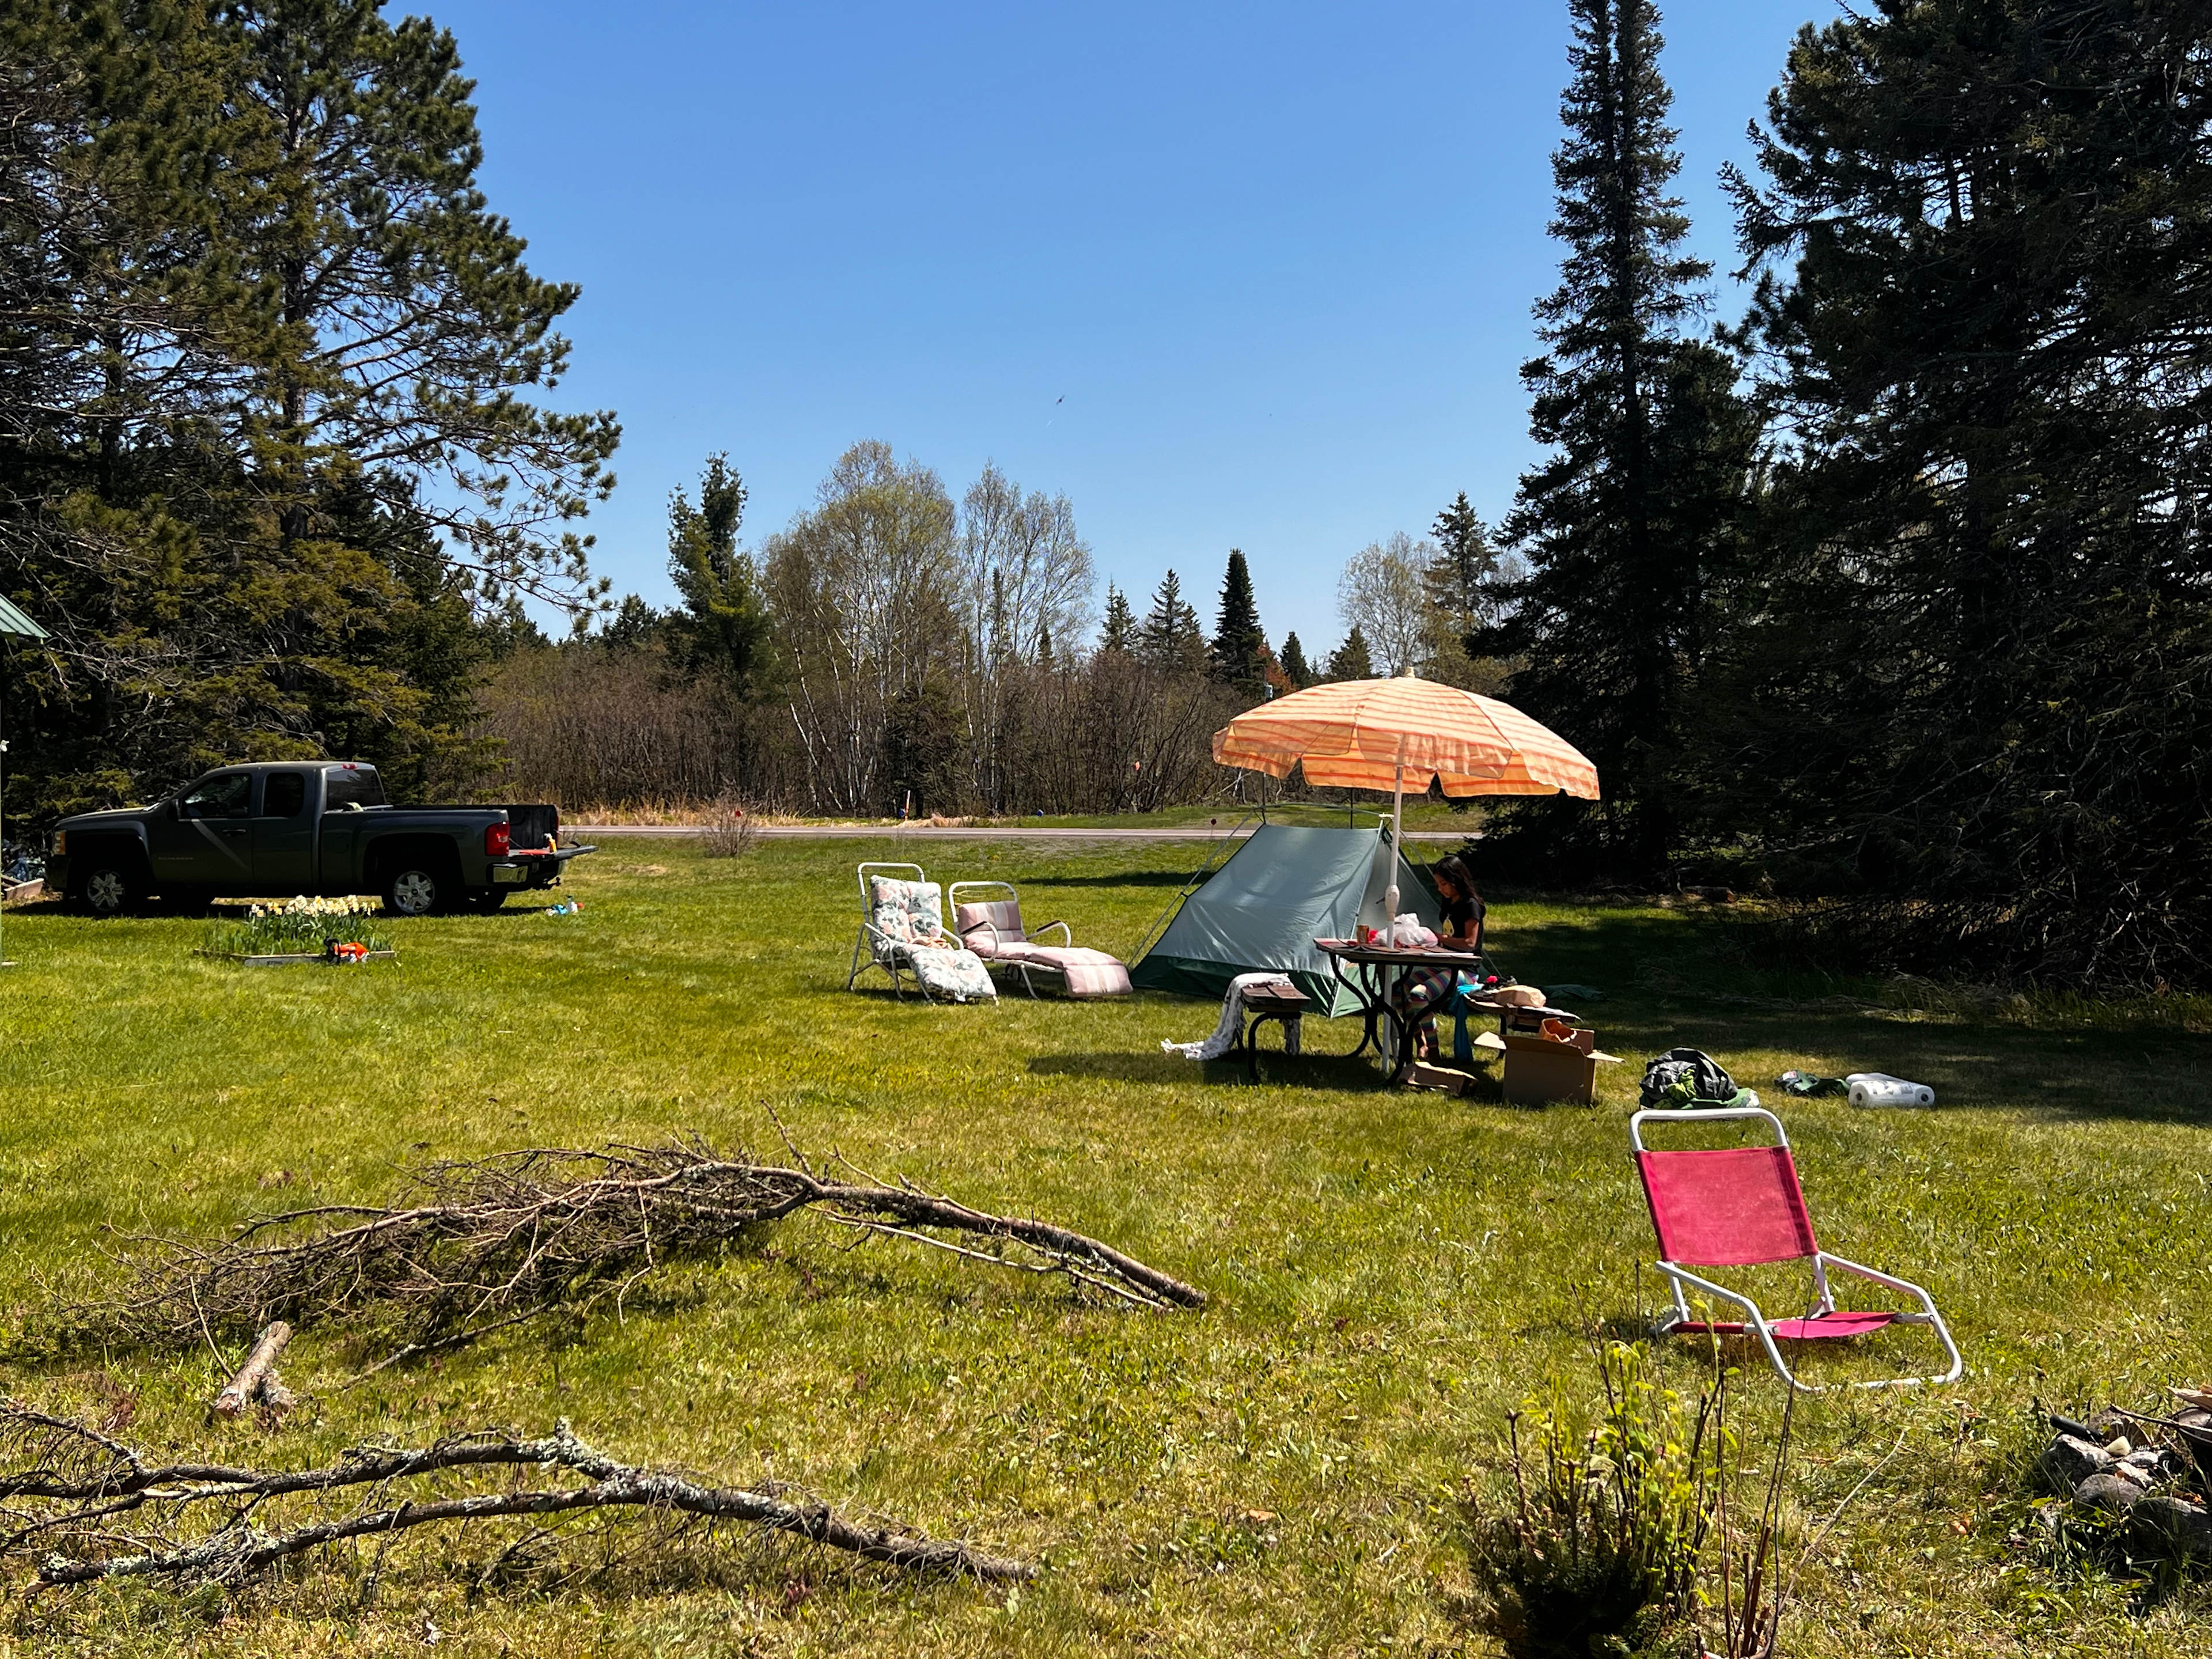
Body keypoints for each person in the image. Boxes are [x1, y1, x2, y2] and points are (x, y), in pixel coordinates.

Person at [1393, 854, 1488, 1065]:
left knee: (1419, 994)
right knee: (1397, 992)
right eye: (1438, 884)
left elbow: (1470, 943)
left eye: (1444, 884)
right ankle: (1420, 1040)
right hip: (1445, 963)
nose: (1440, 889)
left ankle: (1434, 1050)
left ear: (1457, 880)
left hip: (1465, 970)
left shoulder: (1471, 905)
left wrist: (1441, 938)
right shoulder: (1449, 902)